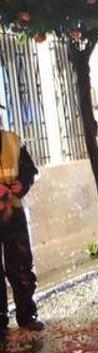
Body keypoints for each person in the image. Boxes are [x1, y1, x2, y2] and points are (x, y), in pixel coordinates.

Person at [0, 112, 44, 334]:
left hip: (13, 211)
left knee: (21, 264)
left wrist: (22, 183)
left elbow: (29, 169)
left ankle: (27, 315)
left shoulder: (12, 141)